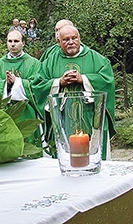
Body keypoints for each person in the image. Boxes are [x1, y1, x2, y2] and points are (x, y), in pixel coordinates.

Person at [33, 25, 115, 160]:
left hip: (90, 117)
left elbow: (108, 82)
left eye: (74, 38)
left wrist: (84, 79)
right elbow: (37, 85)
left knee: (92, 159)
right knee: (66, 159)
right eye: (65, 39)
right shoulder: (49, 62)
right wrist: (59, 82)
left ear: (79, 38)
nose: (71, 42)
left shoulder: (97, 59)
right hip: (63, 119)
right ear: (59, 42)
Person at [0, 30, 45, 144]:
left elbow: (39, 86)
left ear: (23, 43)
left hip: (26, 112)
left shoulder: (33, 63)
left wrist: (17, 82)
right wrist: (6, 84)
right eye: (9, 41)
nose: (12, 44)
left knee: (27, 146)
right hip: (5, 112)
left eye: (16, 41)